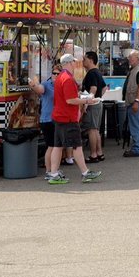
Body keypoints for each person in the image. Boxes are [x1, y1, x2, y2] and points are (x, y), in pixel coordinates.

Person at [46, 54, 102, 184]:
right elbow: (70, 100)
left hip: (59, 116)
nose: (76, 65)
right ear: (69, 63)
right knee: (77, 145)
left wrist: (81, 96)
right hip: (68, 118)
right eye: (74, 63)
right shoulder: (68, 79)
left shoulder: (60, 77)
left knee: (58, 146)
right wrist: (87, 100)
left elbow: (69, 96)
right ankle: (85, 173)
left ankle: (54, 173)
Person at [29, 64, 60, 166]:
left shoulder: (63, 85)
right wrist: (34, 85)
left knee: (56, 146)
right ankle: (49, 171)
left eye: (57, 73)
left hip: (58, 119)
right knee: (52, 146)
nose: (55, 75)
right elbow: (40, 89)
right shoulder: (47, 84)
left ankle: (53, 170)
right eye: (53, 73)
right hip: (47, 119)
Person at [81, 51, 108, 162]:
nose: (83, 61)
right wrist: (99, 97)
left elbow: (94, 89)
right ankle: (99, 152)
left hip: (92, 105)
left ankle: (93, 154)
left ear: (91, 60)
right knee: (96, 130)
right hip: (98, 103)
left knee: (92, 129)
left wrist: (87, 103)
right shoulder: (97, 72)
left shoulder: (91, 73)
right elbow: (105, 88)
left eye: (84, 59)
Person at [123, 50, 139, 157]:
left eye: (131, 57)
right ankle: (138, 147)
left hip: (136, 102)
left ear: (137, 59)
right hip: (133, 102)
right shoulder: (136, 70)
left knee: (136, 125)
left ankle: (137, 148)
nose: (129, 59)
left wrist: (137, 101)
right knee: (135, 125)